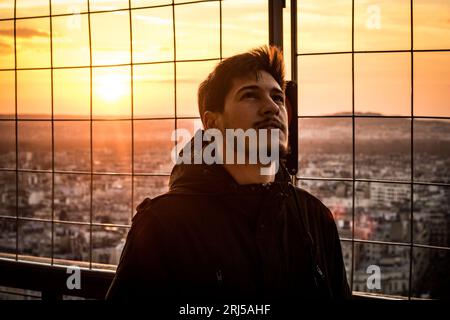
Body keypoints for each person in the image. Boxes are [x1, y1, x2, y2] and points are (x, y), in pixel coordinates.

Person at [106, 45, 351, 301]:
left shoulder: (315, 217)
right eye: (250, 96)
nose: (272, 107)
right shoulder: (162, 226)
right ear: (212, 123)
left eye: (278, 98)